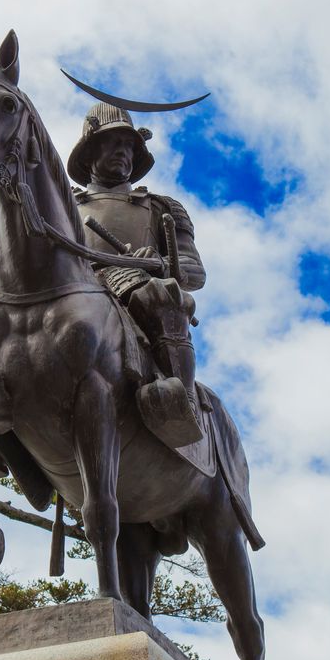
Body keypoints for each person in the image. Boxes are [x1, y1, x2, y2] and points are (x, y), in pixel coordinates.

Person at [68, 102, 206, 445]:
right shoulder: (64, 206)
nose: (123, 152)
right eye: (113, 142)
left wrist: (158, 263)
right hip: (72, 288)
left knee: (160, 299)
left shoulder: (162, 208)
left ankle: (178, 401)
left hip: (136, 286)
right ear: (90, 152)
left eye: (130, 145)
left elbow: (194, 272)